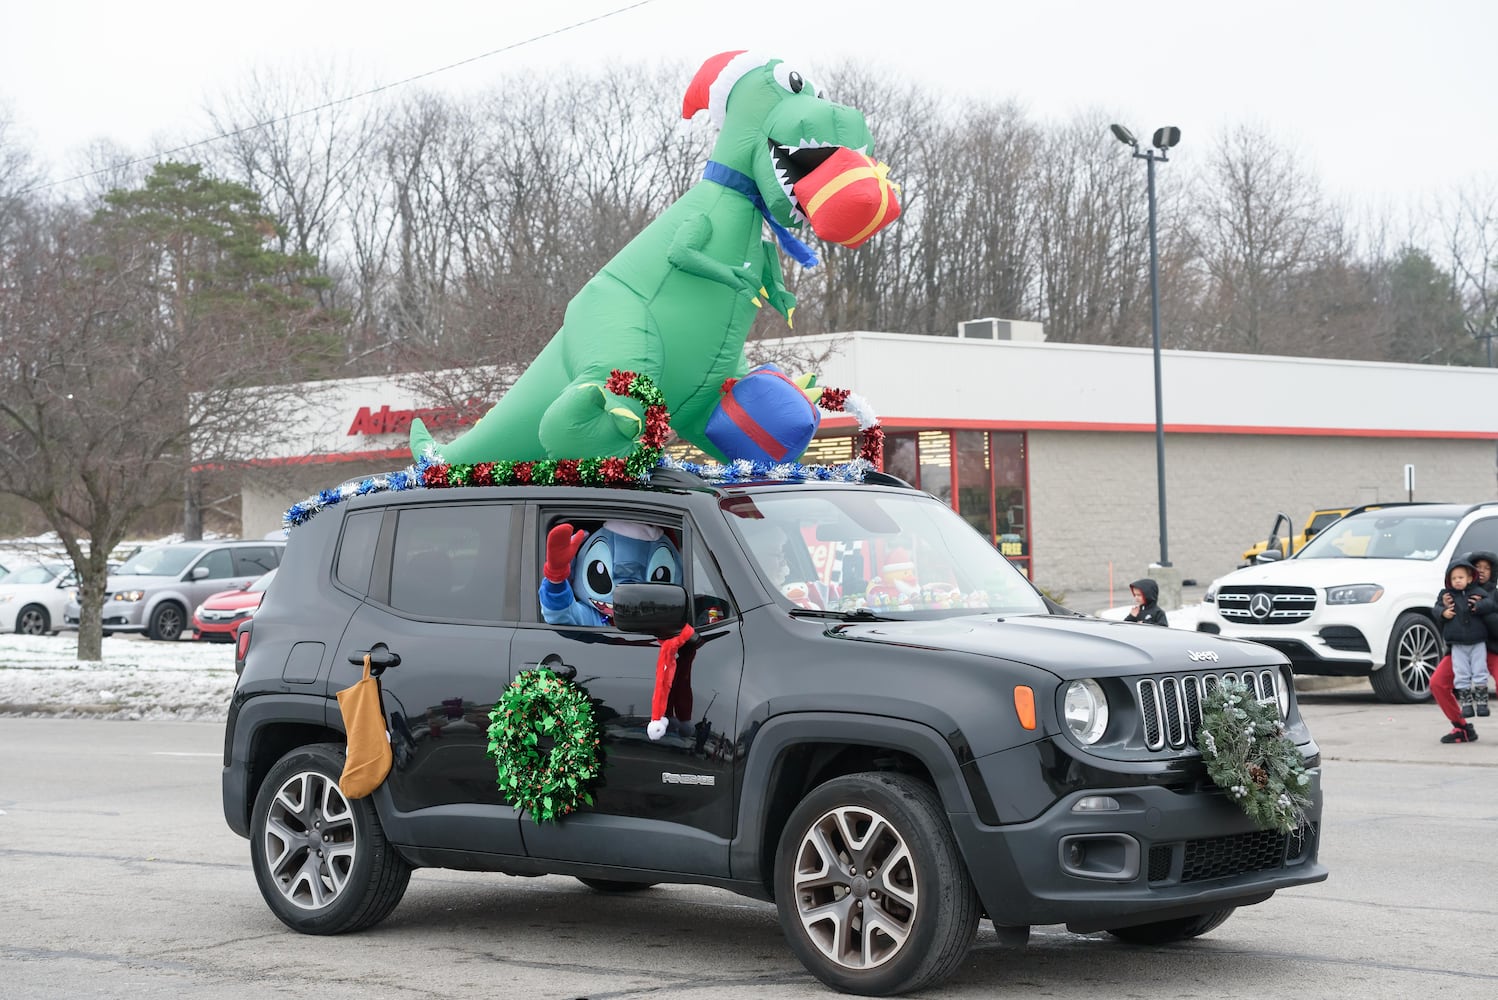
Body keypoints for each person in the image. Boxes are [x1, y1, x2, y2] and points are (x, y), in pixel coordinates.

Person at [1432, 550, 1498, 743]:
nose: (1482, 571)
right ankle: (1462, 728)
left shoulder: (1493, 595)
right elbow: (1441, 622)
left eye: (1487, 568)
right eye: (1478, 567)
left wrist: (1482, 608)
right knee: (1437, 683)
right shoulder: (1449, 594)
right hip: (1461, 647)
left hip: (1491, 648)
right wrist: (1444, 611)